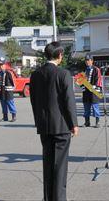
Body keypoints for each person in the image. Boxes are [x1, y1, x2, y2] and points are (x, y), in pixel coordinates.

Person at [30, 42, 79, 201]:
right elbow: (68, 101)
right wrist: (74, 124)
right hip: (61, 125)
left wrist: (39, 121)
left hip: (44, 126)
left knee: (48, 164)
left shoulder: (36, 74)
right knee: (60, 166)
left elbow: (33, 100)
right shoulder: (63, 73)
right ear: (59, 56)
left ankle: (48, 198)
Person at [81, 54, 102, 128]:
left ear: (92, 61)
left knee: (95, 107)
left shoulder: (96, 69)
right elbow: (81, 80)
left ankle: (97, 122)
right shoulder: (84, 70)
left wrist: (93, 87)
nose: (87, 62)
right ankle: (87, 122)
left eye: (88, 60)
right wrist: (82, 86)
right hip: (86, 92)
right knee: (86, 107)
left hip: (94, 91)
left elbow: (98, 80)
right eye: (86, 60)